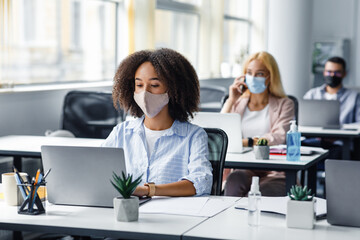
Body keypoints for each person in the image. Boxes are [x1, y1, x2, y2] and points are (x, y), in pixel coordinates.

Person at [102, 48, 213, 198]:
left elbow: (201, 182)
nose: (144, 93)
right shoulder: (121, 132)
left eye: (154, 85)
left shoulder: (193, 136)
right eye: (139, 85)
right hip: (127, 212)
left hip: (174, 216)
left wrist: (149, 190)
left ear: (174, 89)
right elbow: (98, 171)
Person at [221, 51, 294, 197]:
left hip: (274, 169)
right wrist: (230, 100)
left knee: (266, 190)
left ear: (270, 77)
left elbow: (279, 137)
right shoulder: (238, 103)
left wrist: (245, 142)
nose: (253, 78)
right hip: (243, 167)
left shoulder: (285, 104)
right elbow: (220, 132)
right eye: (249, 72)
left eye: (260, 74)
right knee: (234, 182)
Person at [303, 56, 360, 159]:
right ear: (324, 72)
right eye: (329, 72)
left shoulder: (354, 97)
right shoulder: (311, 95)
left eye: (337, 72)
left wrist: (340, 132)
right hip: (315, 142)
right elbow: (300, 121)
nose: (332, 75)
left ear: (344, 74)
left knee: (338, 153)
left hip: (340, 144)